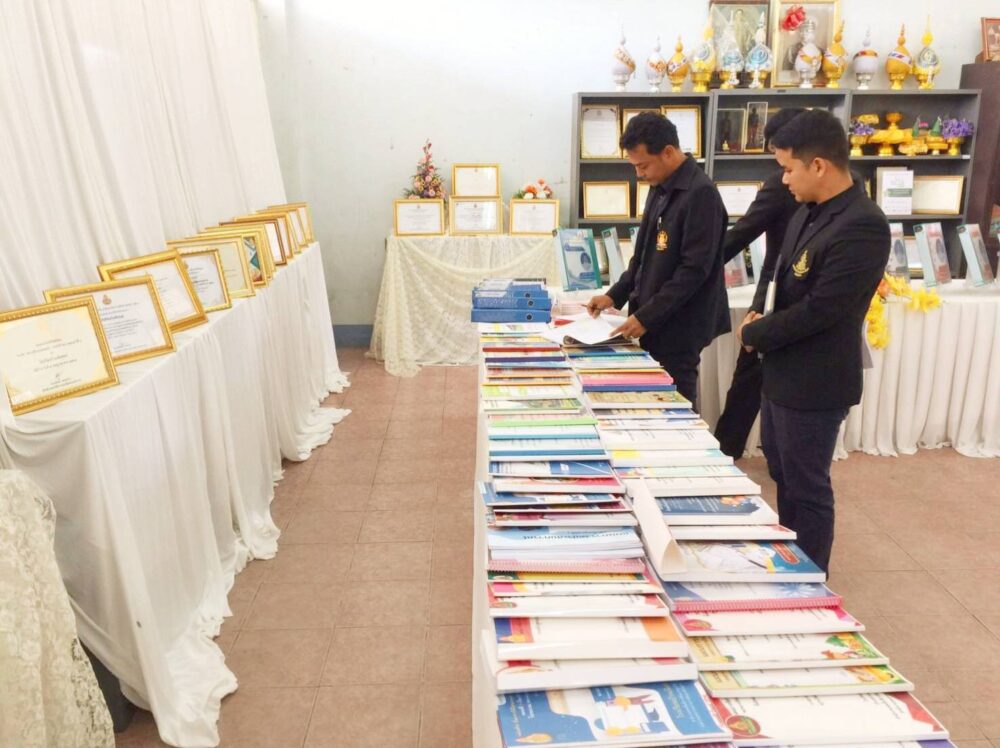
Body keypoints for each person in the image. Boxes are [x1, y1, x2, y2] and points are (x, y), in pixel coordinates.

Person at [738, 109, 889, 573]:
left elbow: (823, 309)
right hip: (781, 371)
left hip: (816, 380)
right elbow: (779, 275)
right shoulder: (806, 211)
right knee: (783, 475)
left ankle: (811, 579)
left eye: (788, 168)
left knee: (807, 487)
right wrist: (759, 314)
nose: (783, 180)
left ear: (818, 165)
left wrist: (756, 332)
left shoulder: (862, 224)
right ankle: (793, 560)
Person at [587, 112, 729, 409]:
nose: (639, 174)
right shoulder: (660, 187)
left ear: (668, 152)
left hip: (680, 323)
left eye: (643, 165)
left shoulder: (701, 194)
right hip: (655, 317)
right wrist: (615, 295)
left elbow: (693, 271)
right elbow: (642, 255)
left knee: (675, 401)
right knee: (653, 397)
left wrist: (647, 316)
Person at [714, 108, 806, 459]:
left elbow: (742, 233)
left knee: (750, 376)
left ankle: (727, 450)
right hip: (783, 290)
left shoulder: (779, 185)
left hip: (776, 293)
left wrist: (698, 264)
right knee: (757, 375)